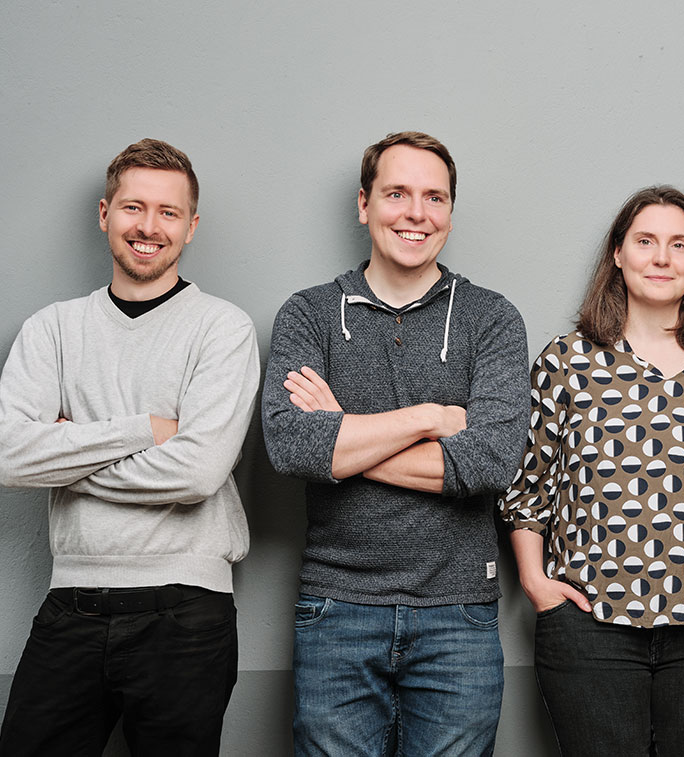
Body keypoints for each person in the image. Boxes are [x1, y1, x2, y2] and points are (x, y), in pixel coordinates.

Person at [499, 186, 684, 756]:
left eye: (679, 244)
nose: (662, 258)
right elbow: (526, 487)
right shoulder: (567, 361)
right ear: (618, 253)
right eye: (645, 241)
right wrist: (537, 585)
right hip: (588, 627)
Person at [261, 131, 530, 756]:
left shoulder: (492, 319)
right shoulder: (310, 314)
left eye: (434, 197)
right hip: (337, 608)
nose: (417, 213)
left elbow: (487, 463)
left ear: (451, 213)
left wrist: (345, 436)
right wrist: (432, 416)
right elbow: (292, 447)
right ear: (364, 204)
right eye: (397, 194)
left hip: (458, 614)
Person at [0, 138, 260, 756]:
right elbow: (10, 457)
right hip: (70, 605)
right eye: (134, 207)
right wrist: (145, 429)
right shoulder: (52, 329)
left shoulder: (222, 328)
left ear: (191, 227)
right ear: (104, 213)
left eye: (168, 212)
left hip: (188, 612)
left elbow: (197, 472)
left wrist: (62, 454)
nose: (148, 227)